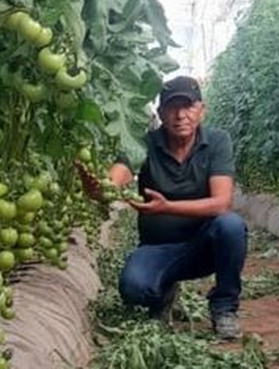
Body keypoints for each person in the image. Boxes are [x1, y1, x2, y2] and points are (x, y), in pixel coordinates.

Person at [104, 75, 247, 340]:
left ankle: (224, 308)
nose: (181, 115)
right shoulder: (145, 144)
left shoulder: (216, 142)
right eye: (172, 107)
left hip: (203, 248)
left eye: (188, 106)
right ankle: (162, 293)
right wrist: (101, 186)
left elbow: (221, 203)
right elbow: (117, 177)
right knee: (133, 289)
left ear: (201, 110)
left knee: (231, 225)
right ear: (160, 113)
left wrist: (167, 207)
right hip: (158, 249)